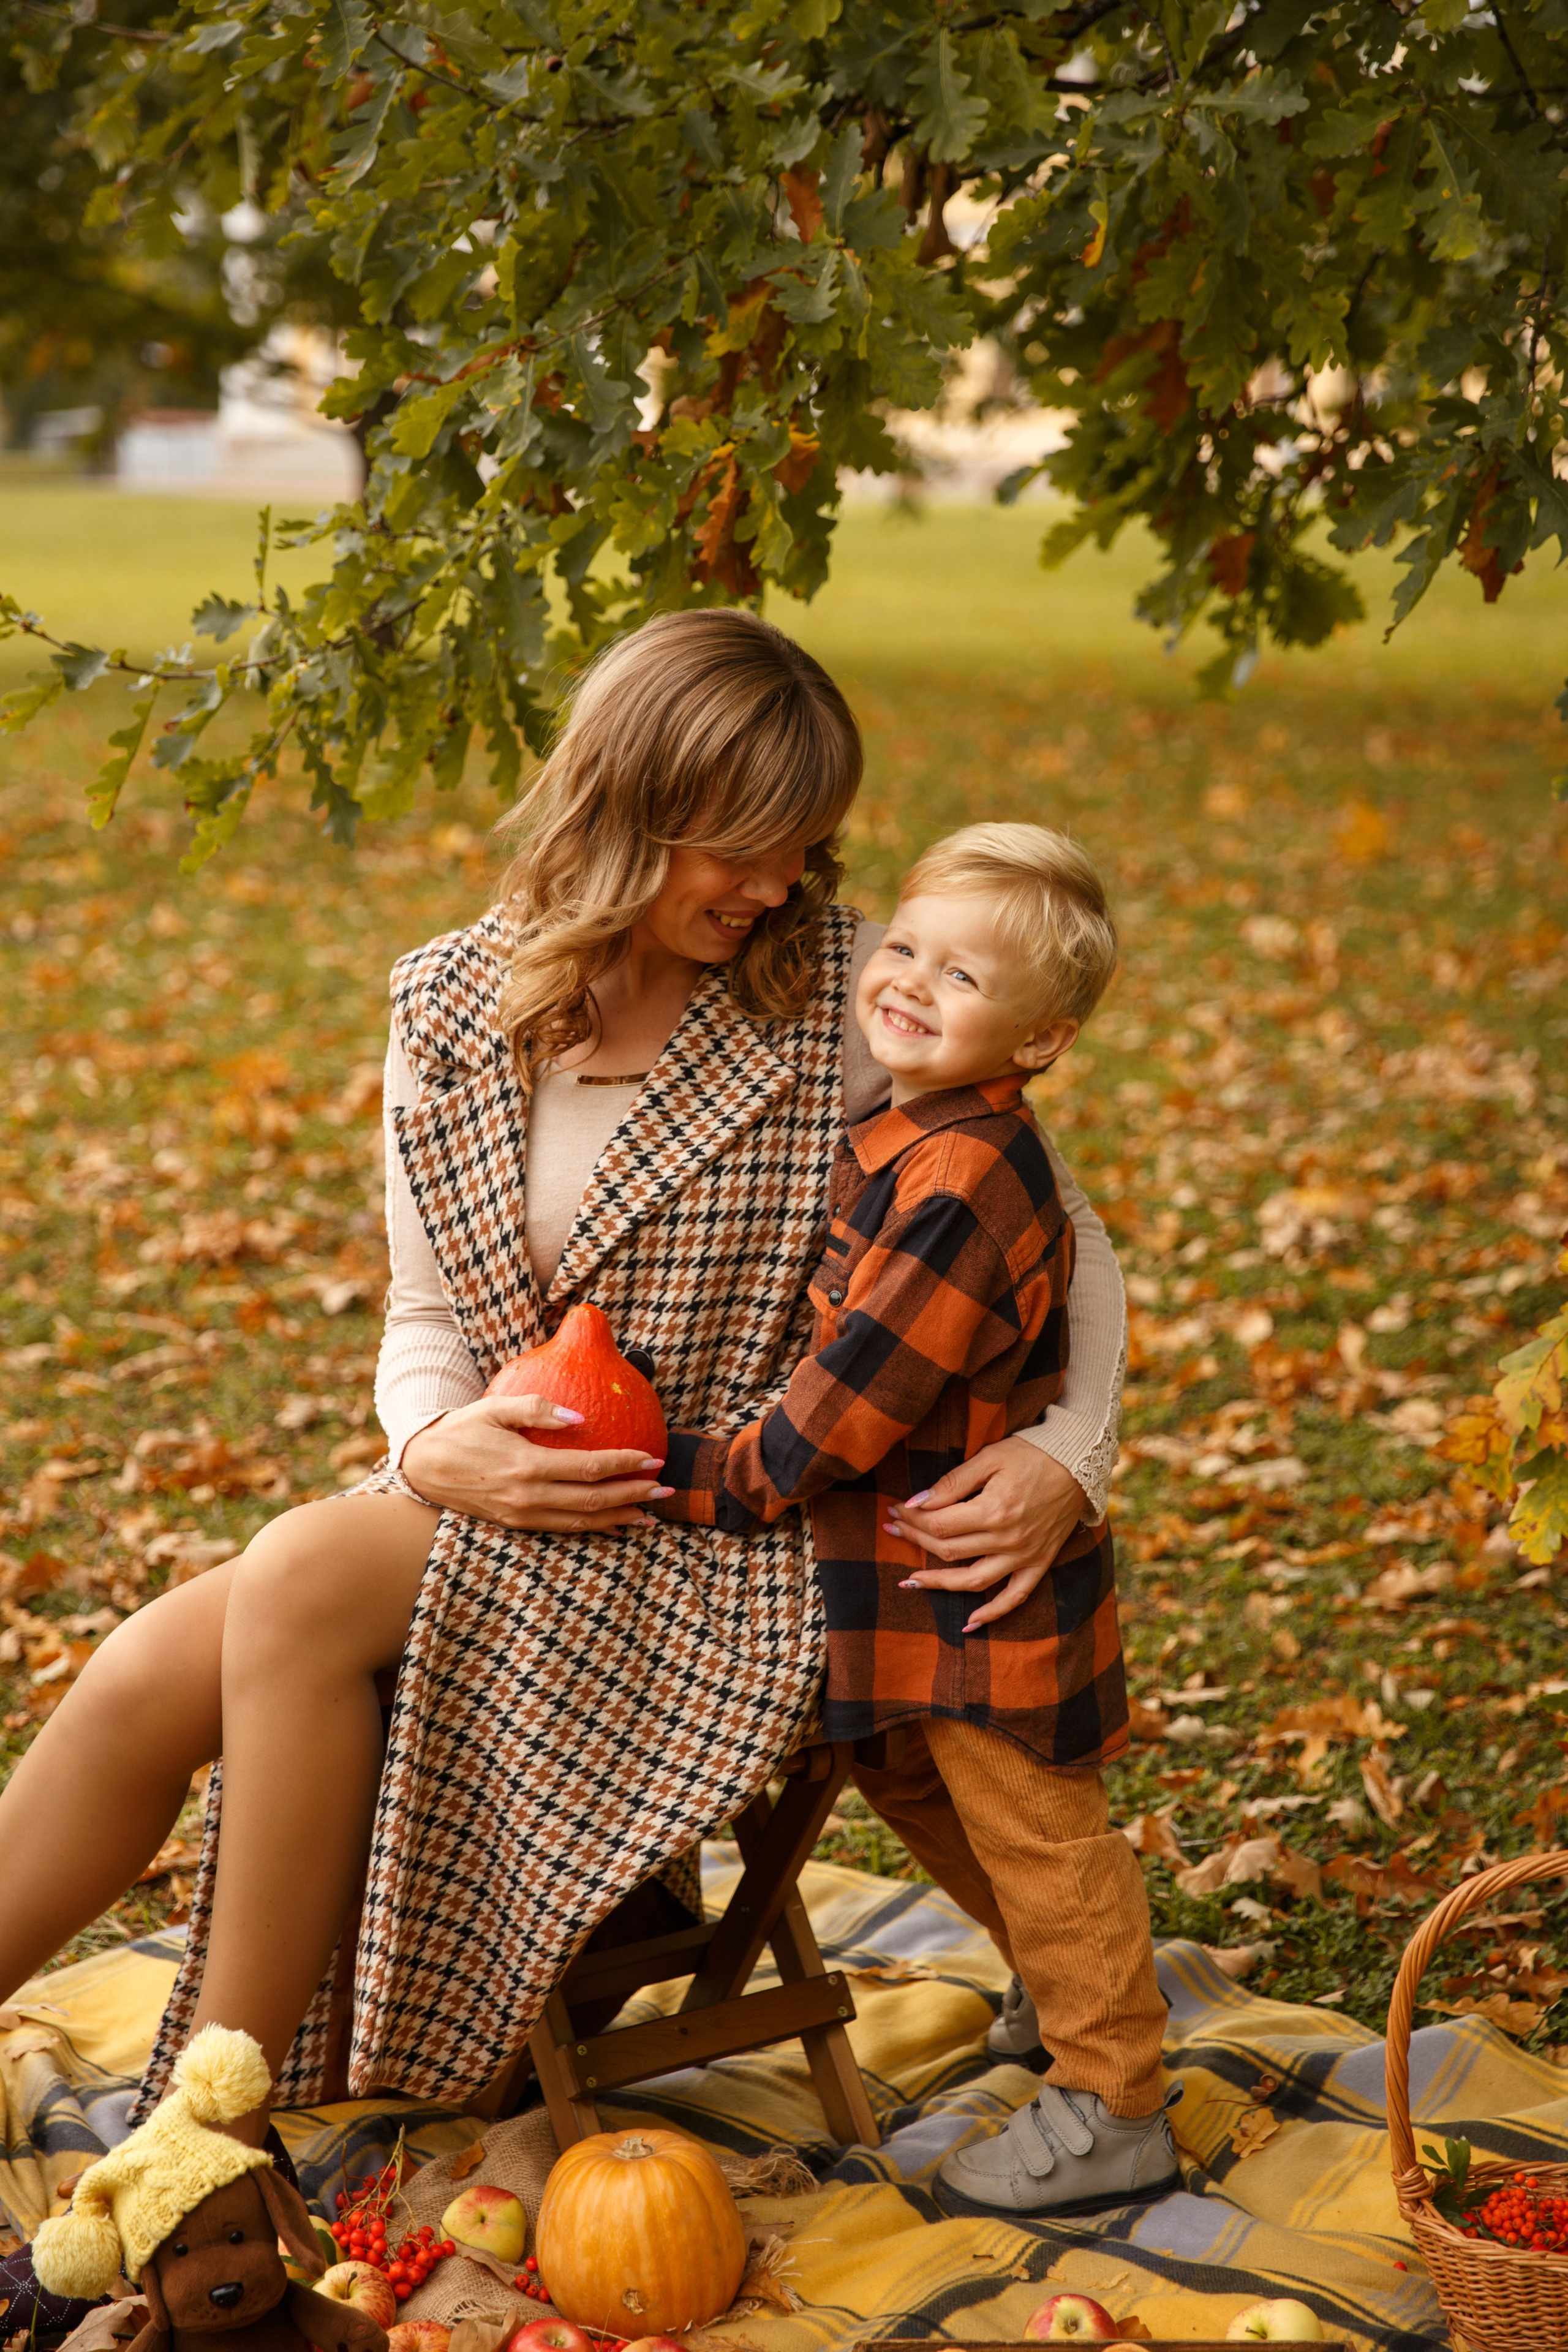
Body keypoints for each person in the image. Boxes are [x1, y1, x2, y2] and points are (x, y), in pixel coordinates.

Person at [0, 611, 1128, 2162]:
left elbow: (1056, 1233)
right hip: (505, 1493)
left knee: (308, 1570)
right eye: (746, 848)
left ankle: (206, 2136)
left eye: (805, 850)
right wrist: (434, 1441)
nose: (783, 888)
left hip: (725, 1533)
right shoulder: (449, 1009)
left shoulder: (840, 1005)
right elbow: (420, 1311)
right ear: (630, 809)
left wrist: (1072, 1453)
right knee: (142, 1672)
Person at [654, 822, 1175, 2218]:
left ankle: (1113, 2094)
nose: (907, 985)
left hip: (969, 1573)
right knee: (905, 1780)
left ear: (1041, 1037)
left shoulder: (959, 1183)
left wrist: (705, 1473)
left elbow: (849, 1404)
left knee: (1033, 1824)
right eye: (902, 949)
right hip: (899, 1579)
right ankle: (1068, 1987)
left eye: (959, 977)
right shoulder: (908, 1129)